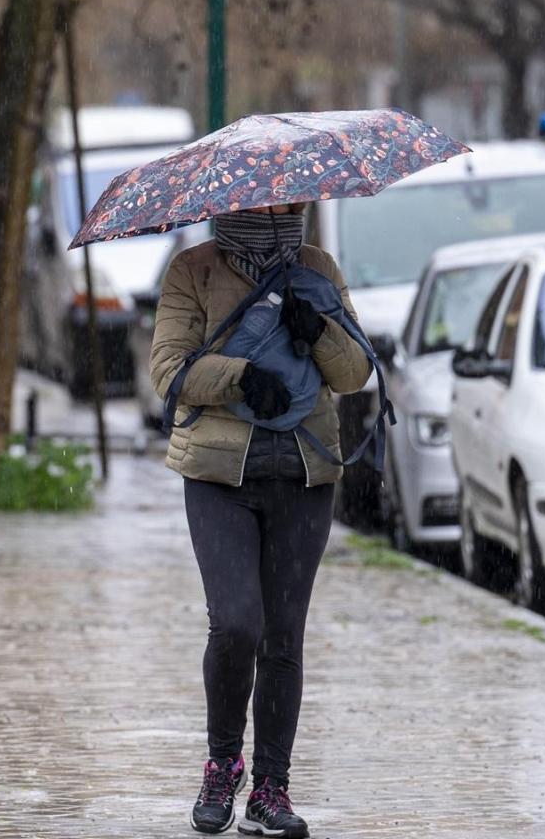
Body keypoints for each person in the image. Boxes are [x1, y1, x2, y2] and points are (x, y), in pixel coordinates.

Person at [148, 205, 372, 839]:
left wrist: (319, 330)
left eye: (291, 200)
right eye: (269, 201)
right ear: (236, 203)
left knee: (283, 635)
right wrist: (240, 378)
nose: (282, 210)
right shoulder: (193, 270)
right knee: (236, 623)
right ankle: (223, 763)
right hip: (220, 477)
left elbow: (355, 373)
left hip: (305, 475)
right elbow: (168, 369)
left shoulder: (317, 268)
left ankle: (271, 788)